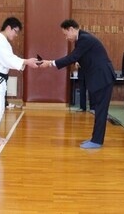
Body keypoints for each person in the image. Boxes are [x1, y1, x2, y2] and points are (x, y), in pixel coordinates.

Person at [40, 19, 117, 149]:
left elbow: (72, 57)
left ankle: (97, 141)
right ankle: (96, 138)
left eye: (65, 34)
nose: (66, 38)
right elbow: (84, 56)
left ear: (71, 29)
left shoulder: (84, 39)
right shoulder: (82, 38)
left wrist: (51, 63)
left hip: (103, 78)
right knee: (99, 110)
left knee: (100, 111)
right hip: (100, 78)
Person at [0, 17, 39, 145]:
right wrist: (26, 61)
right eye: (15, 31)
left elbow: (9, 58)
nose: (16, 35)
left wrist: (25, 62)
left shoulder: (2, 41)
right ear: (8, 28)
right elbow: (7, 59)